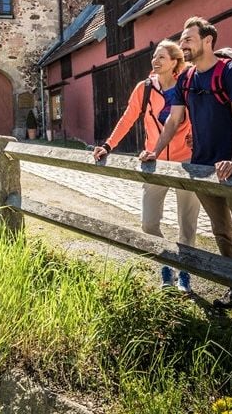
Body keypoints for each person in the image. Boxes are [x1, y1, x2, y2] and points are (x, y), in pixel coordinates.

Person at [143, 17, 232, 326]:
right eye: (181, 40)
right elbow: (173, 120)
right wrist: (154, 151)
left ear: (208, 40)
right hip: (201, 169)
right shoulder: (186, 79)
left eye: (188, 39)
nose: (182, 44)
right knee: (222, 232)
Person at [92, 40, 201, 292]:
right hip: (154, 162)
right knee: (148, 222)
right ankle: (166, 264)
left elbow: (201, 116)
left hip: (186, 162)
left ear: (174, 61)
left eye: (161, 56)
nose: (155, 60)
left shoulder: (187, 86)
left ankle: (185, 273)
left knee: (187, 224)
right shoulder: (145, 88)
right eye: (154, 56)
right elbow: (127, 118)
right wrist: (108, 145)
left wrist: (198, 139)